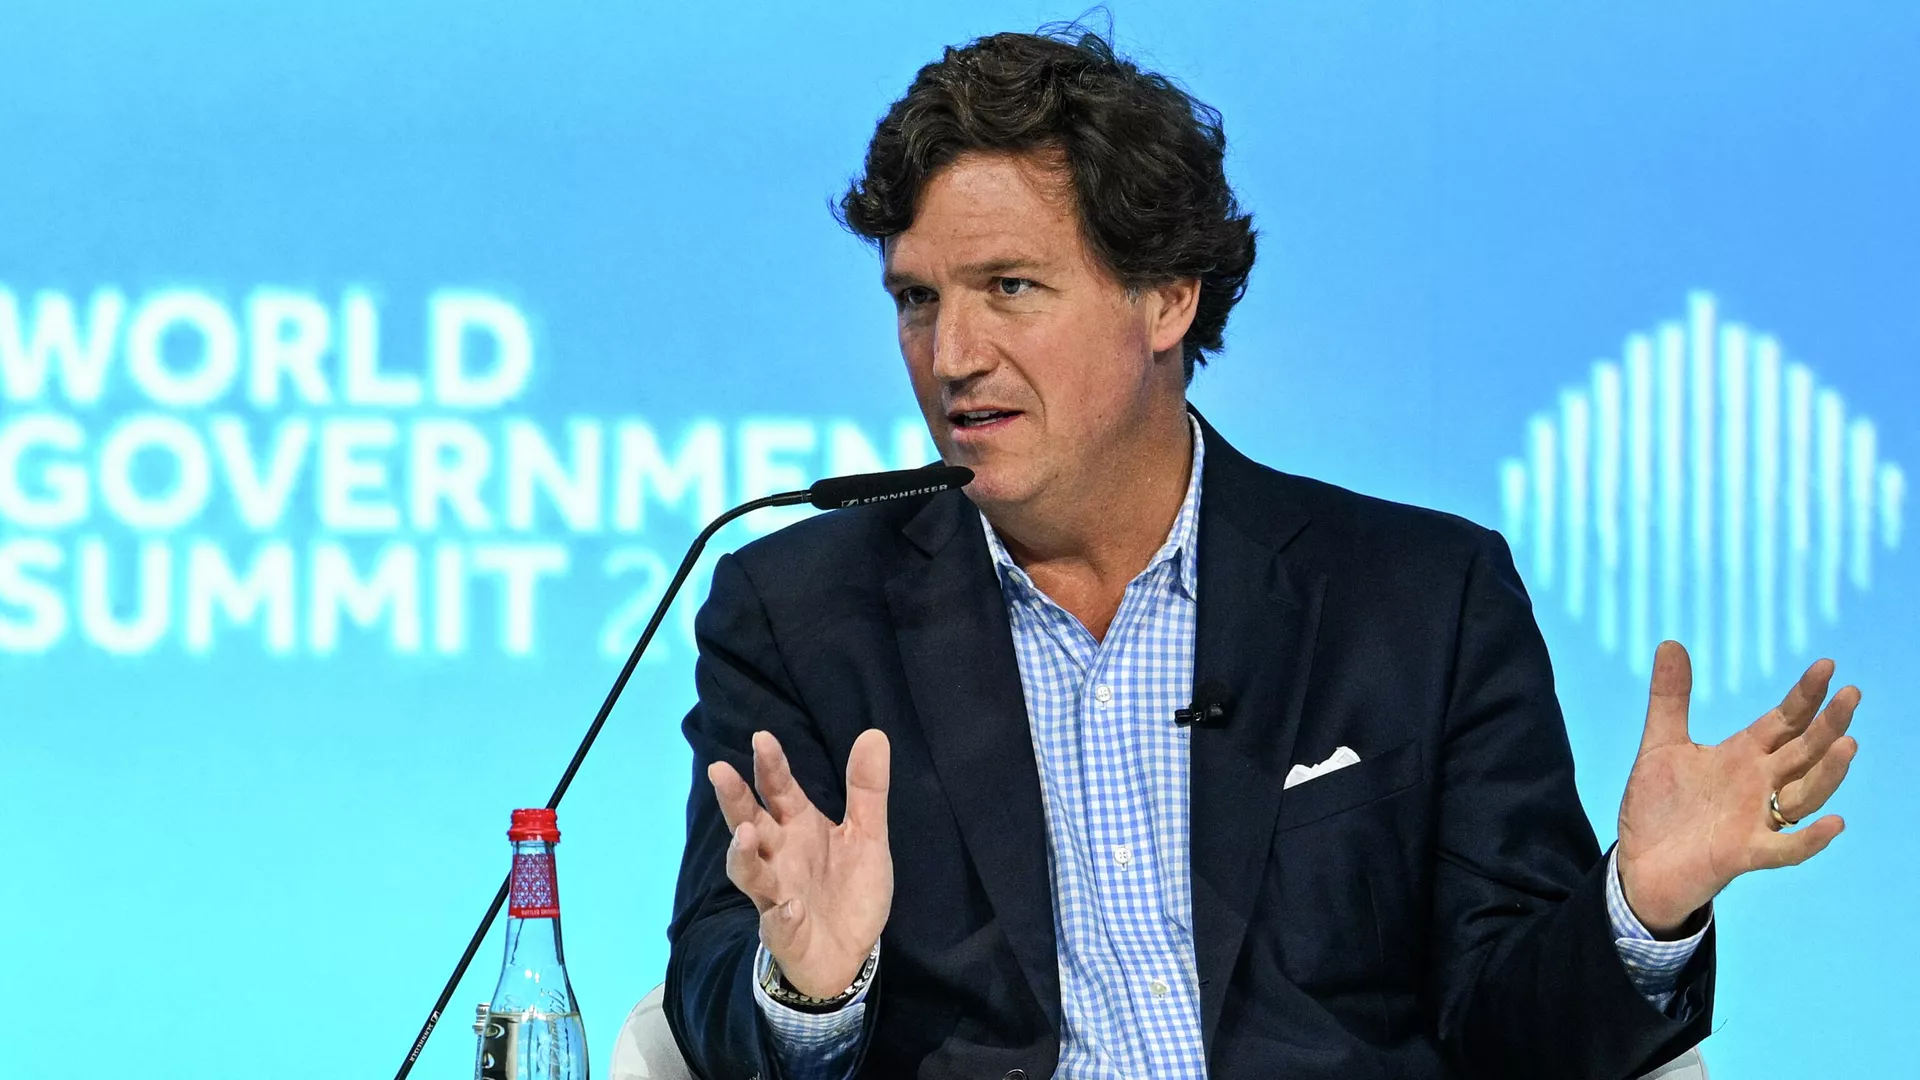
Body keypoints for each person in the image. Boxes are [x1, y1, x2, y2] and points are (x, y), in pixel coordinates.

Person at [663, 26, 1860, 1080]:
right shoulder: (798, 613)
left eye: (1010, 287)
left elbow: (1515, 1036)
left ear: (1167, 298)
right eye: (916, 300)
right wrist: (808, 992)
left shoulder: (1421, 601)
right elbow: (711, 994)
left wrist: (1637, 909)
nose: (953, 354)